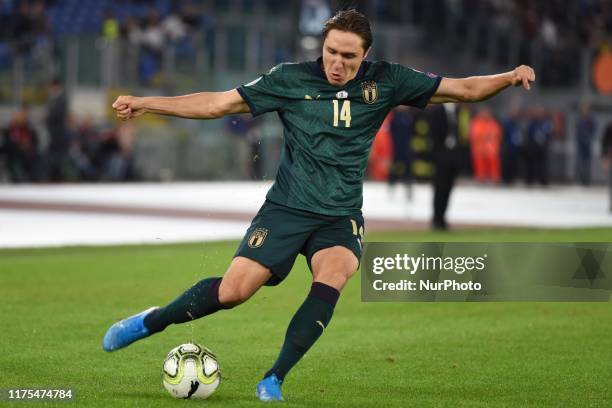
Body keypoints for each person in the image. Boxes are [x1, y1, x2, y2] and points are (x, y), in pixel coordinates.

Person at [102, 9, 535, 402]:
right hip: (287, 208)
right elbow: (217, 103)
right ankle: (152, 321)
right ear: (322, 46)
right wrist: (145, 102)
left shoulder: (387, 80)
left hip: (340, 215)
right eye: (331, 52)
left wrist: (508, 76)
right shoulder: (289, 79)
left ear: (366, 55)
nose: (338, 63)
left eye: (349, 56)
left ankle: (274, 378)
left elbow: (463, 90)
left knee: (334, 274)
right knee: (234, 292)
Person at [429, 103, 463, 230]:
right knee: (440, 188)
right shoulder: (437, 111)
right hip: (441, 155)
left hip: (453, 155)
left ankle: (442, 219)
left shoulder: (457, 111)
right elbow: (433, 134)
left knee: (448, 188)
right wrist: (437, 154)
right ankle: (436, 219)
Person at [575, 103, 596, 186]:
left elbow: (593, 130)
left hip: (587, 143)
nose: (584, 111)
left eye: (586, 109)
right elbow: (577, 130)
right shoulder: (579, 119)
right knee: (580, 162)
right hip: (580, 143)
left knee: (587, 163)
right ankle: (580, 180)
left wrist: (589, 137)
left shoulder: (590, 119)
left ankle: (587, 181)